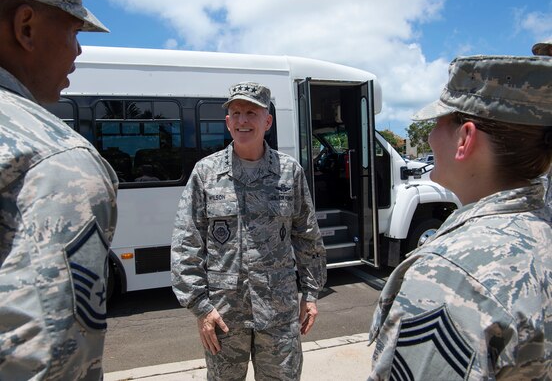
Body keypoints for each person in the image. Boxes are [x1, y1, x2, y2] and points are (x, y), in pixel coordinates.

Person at [367, 55, 552, 380]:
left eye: (439, 122)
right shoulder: (542, 230)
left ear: (465, 138)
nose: (429, 137)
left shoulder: (450, 276)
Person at [171, 82, 327, 380]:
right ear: (228, 121)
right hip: (224, 316)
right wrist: (201, 308)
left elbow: (307, 235)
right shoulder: (206, 173)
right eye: (236, 112)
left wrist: (310, 293)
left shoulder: (289, 172)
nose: (243, 120)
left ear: (267, 121)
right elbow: (185, 244)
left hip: (279, 314)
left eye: (252, 113)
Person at [0, 0, 118, 380]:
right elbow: (49, 362)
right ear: (26, 28)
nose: (78, 51)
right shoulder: (56, 161)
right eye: (73, 32)